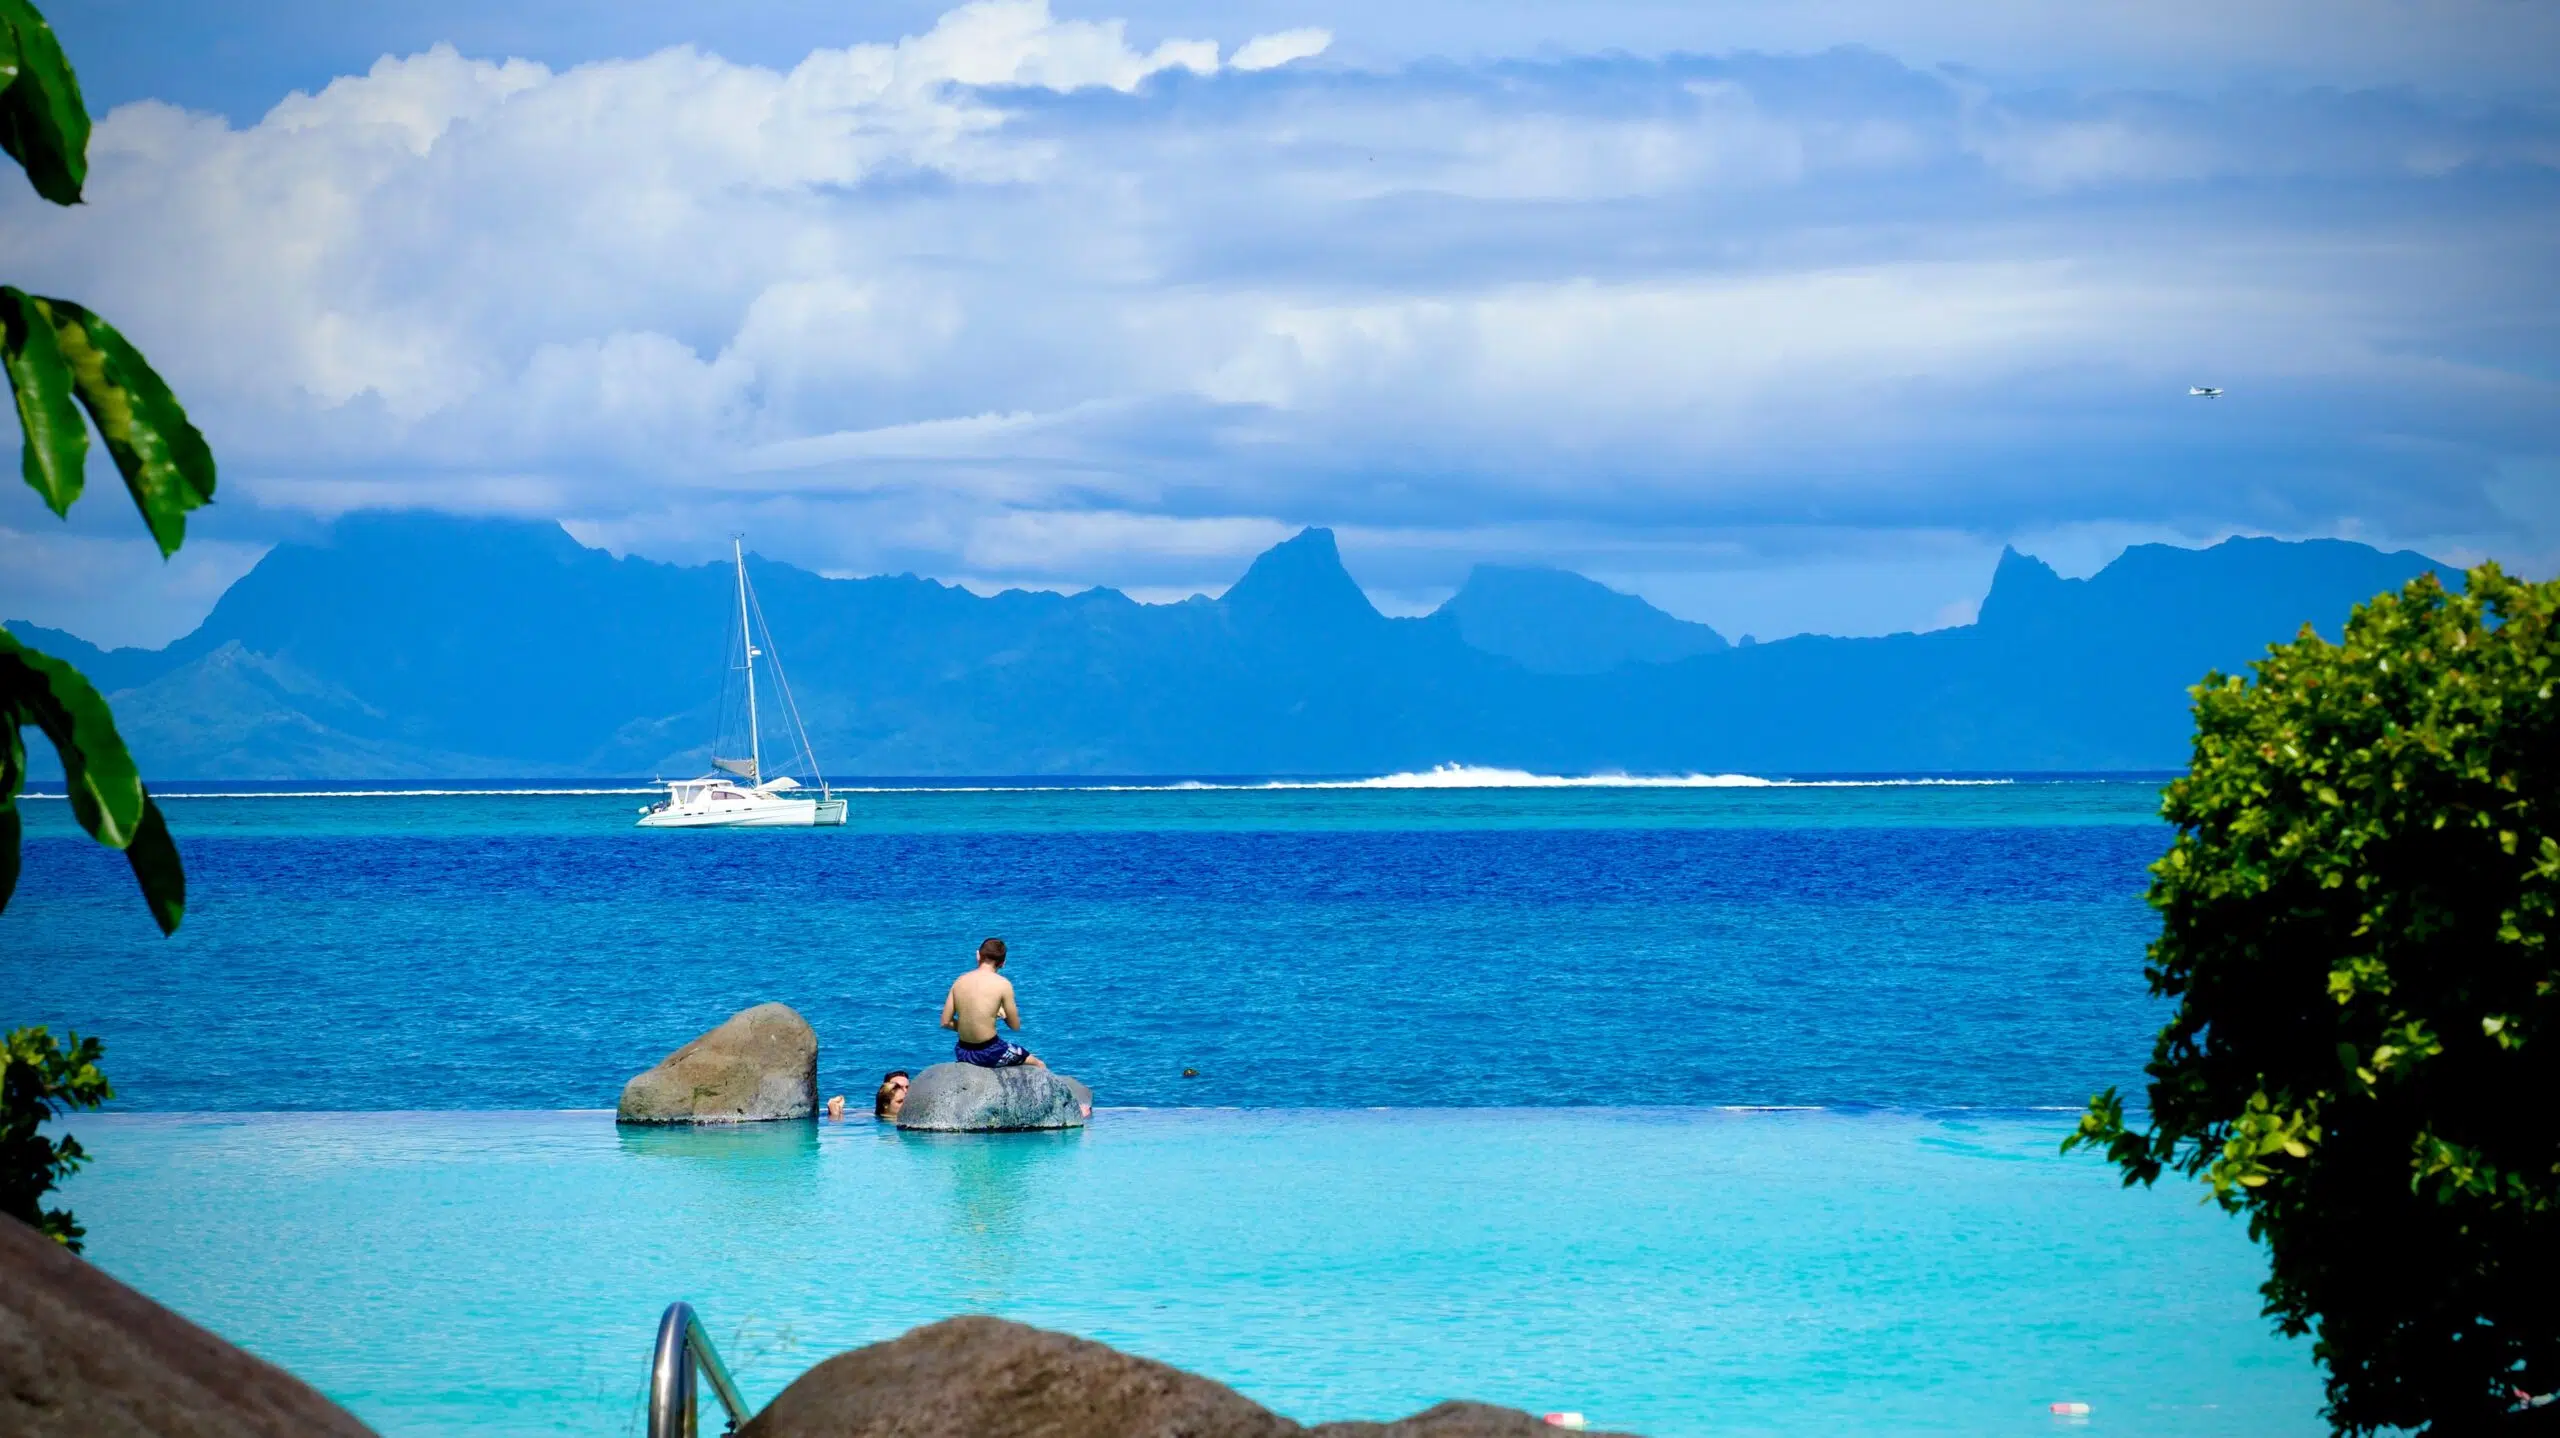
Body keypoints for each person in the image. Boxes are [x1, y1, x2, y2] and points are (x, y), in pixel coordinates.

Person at [940, 937, 1045, 1068]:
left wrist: (970, 1025)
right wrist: (1003, 1014)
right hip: (990, 1053)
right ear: (1003, 963)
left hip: (963, 1052)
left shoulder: (959, 981)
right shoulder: (1003, 984)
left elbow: (945, 1022)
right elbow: (1015, 1026)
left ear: (978, 955)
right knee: (1038, 1063)